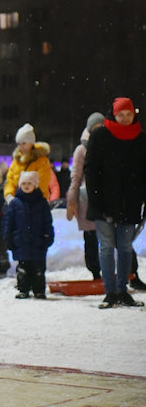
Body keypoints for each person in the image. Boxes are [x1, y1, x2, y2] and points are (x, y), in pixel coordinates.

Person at [84, 97, 146, 309]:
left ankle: (122, 290)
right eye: (121, 115)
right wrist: (95, 200)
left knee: (126, 247)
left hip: (130, 201)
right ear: (114, 114)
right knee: (107, 247)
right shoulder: (101, 136)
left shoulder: (140, 137)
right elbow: (91, 170)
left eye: (129, 114)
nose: (126, 119)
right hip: (103, 202)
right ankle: (110, 291)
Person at [66, 113, 105, 280]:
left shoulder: (109, 144)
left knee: (110, 239)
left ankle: (122, 272)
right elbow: (76, 176)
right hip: (87, 199)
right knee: (91, 239)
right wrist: (72, 200)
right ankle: (95, 272)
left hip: (107, 199)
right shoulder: (82, 149)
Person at [3, 171, 54, 299]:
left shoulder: (42, 202)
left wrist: (48, 235)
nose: (26, 186)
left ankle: (39, 290)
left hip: (38, 241)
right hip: (21, 241)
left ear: (35, 185)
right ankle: (23, 289)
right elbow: (9, 222)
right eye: (24, 183)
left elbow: (47, 221)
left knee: (39, 269)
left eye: (29, 183)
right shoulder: (15, 203)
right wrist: (8, 237)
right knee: (23, 268)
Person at [3, 123, 52, 204]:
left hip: (37, 202)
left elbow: (43, 181)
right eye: (18, 144)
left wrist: (29, 197)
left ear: (31, 143)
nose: (21, 146)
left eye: (24, 143)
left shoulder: (41, 160)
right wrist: (9, 195)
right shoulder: (16, 160)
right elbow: (10, 180)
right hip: (18, 202)